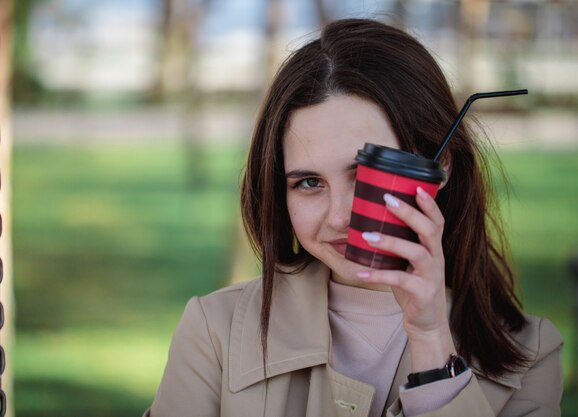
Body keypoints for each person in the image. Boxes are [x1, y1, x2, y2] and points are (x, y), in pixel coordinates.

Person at [145, 18, 563, 417]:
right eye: (308, 182)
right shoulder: (215, 331)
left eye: (366, 173)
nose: (340, 216)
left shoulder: (530, 353)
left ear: (440, 166)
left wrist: (433, 343)